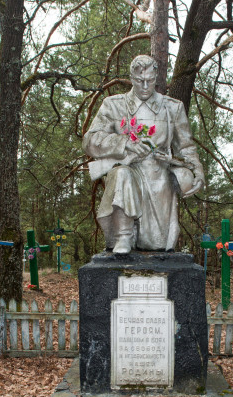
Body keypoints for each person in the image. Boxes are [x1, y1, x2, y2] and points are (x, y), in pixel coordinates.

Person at [83, 55, 205, 254]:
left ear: (156, 77)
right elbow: (90, 141)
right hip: (129, 170)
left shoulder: (173, 107)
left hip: (160, 180)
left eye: (150, 80)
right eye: (140, 81)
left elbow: (186, 147)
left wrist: (197, 172)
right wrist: (124, 143)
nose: (146, 86)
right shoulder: (114, 105)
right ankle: (123, 236)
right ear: (131, 78)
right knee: (121, 174)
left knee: (155, 244)